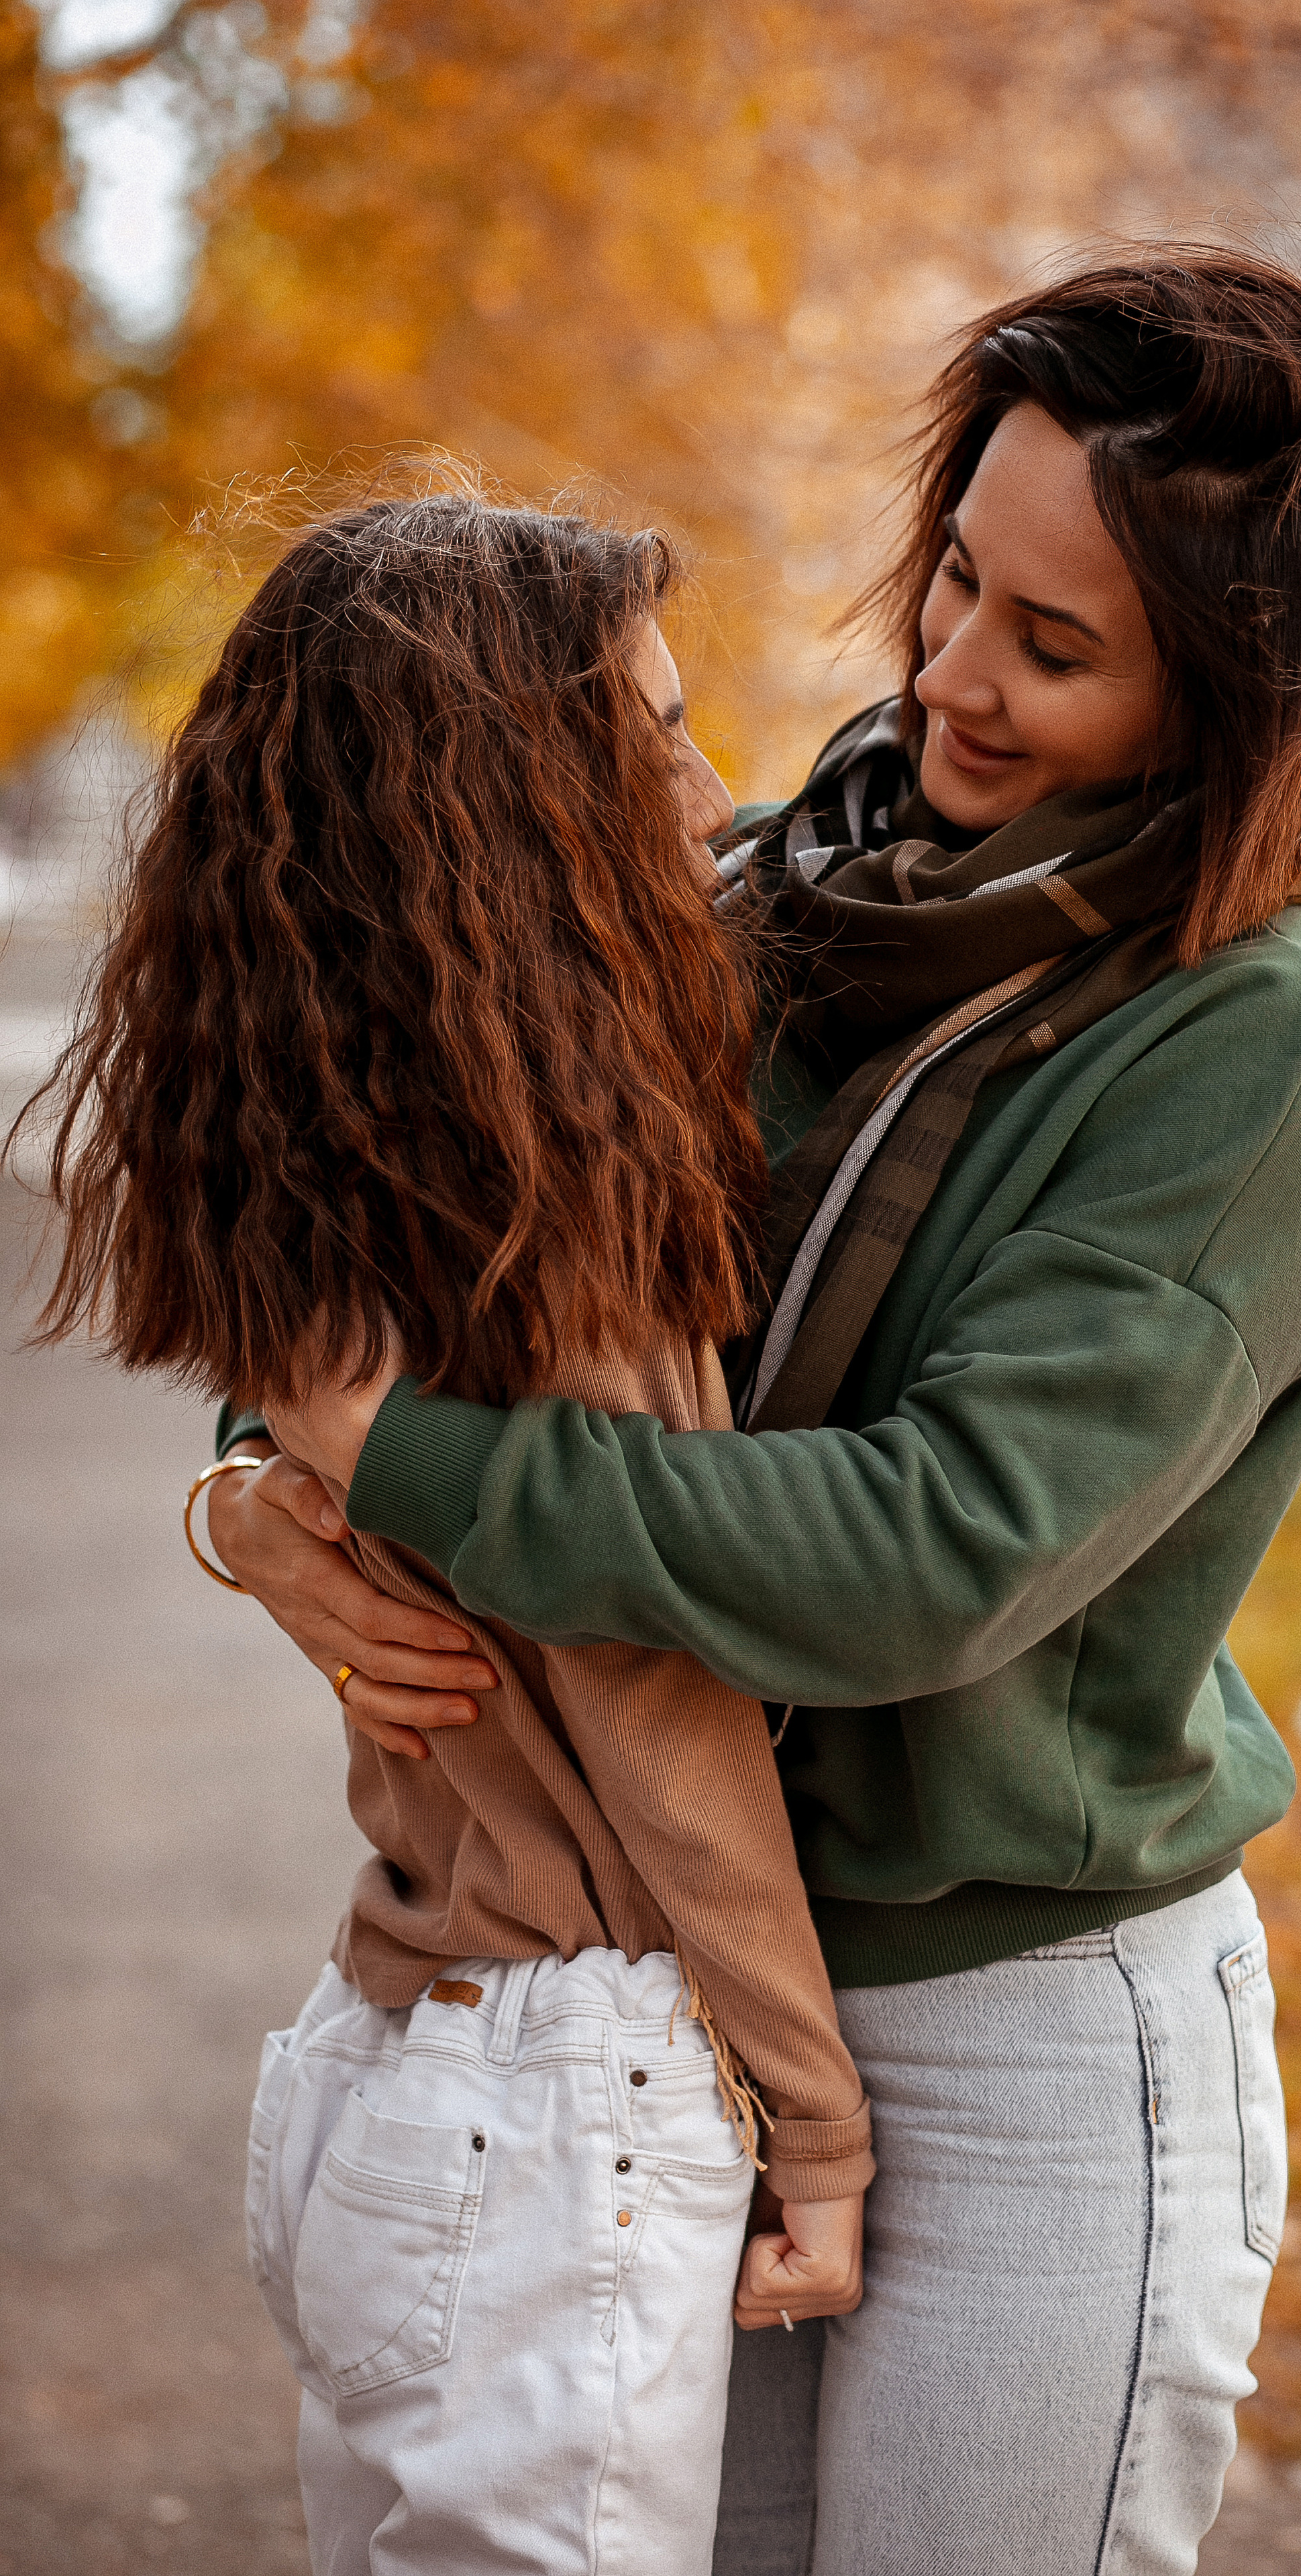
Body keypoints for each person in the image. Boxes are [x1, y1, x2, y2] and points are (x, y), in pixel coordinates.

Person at [214, 246, 1301, 2576]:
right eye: (960, 577)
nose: (951, 674)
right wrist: (262, 1500)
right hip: (680, 2002)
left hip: (1023, 2040)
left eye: (1056, 647)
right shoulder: (768, 894)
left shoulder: (1253, 1053)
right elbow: (421, 1271)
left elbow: (927, 1555)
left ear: (1234, 700)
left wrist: (415, 1471)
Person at [19, 494, 874, 2576]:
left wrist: (244, 1503)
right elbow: (658, 1711)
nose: (716, 798)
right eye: (653, 742)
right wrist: (821, 2119)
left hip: (384, 2056)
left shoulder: (340, 1152)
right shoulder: (562, 1210)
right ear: (511, 823)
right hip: (560, 2097)